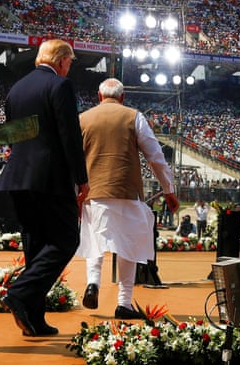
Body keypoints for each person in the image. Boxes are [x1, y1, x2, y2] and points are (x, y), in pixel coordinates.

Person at [0, 39, 88, 337]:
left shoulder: (16, 89)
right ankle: (21, 292)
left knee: (35, 244)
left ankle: (33, 320)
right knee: (65, 240)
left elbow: (13, 134)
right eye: (70, 62)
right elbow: (69, 135)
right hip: (50, 178)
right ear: (61, 60)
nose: (69, 68)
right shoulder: (60, 86)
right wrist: (81, 178)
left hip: (19, 177)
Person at [75, 78, 179, 319]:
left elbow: (73, 160)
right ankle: (124, 302)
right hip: (128, 191)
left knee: (95, 240)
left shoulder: (83, 118)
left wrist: (75, 195)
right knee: (128, 246)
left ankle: (93, 283)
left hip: (94, 191)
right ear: (122, 97)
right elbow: (155, 156)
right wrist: (168, 189)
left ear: (99, 97)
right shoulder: (134, 116)